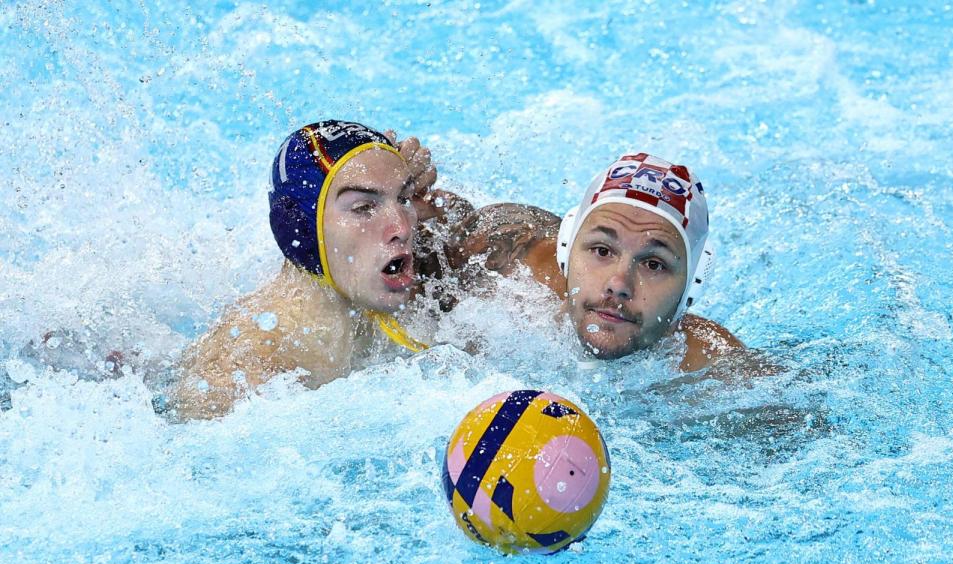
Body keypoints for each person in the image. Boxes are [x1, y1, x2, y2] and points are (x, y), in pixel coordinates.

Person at [169, 120, 466, 420]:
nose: (402, 227)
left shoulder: (409, 277)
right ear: (302, 230)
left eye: (402, 199)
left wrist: (441, 214)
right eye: (364, 208)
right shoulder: (245, 375)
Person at [446, 152, 750, 373]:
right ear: (567, 249)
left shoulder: (715, 368)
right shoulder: (514, 263)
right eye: (602, 251)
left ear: (692, 284)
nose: (618, 285)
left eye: (654, 264)